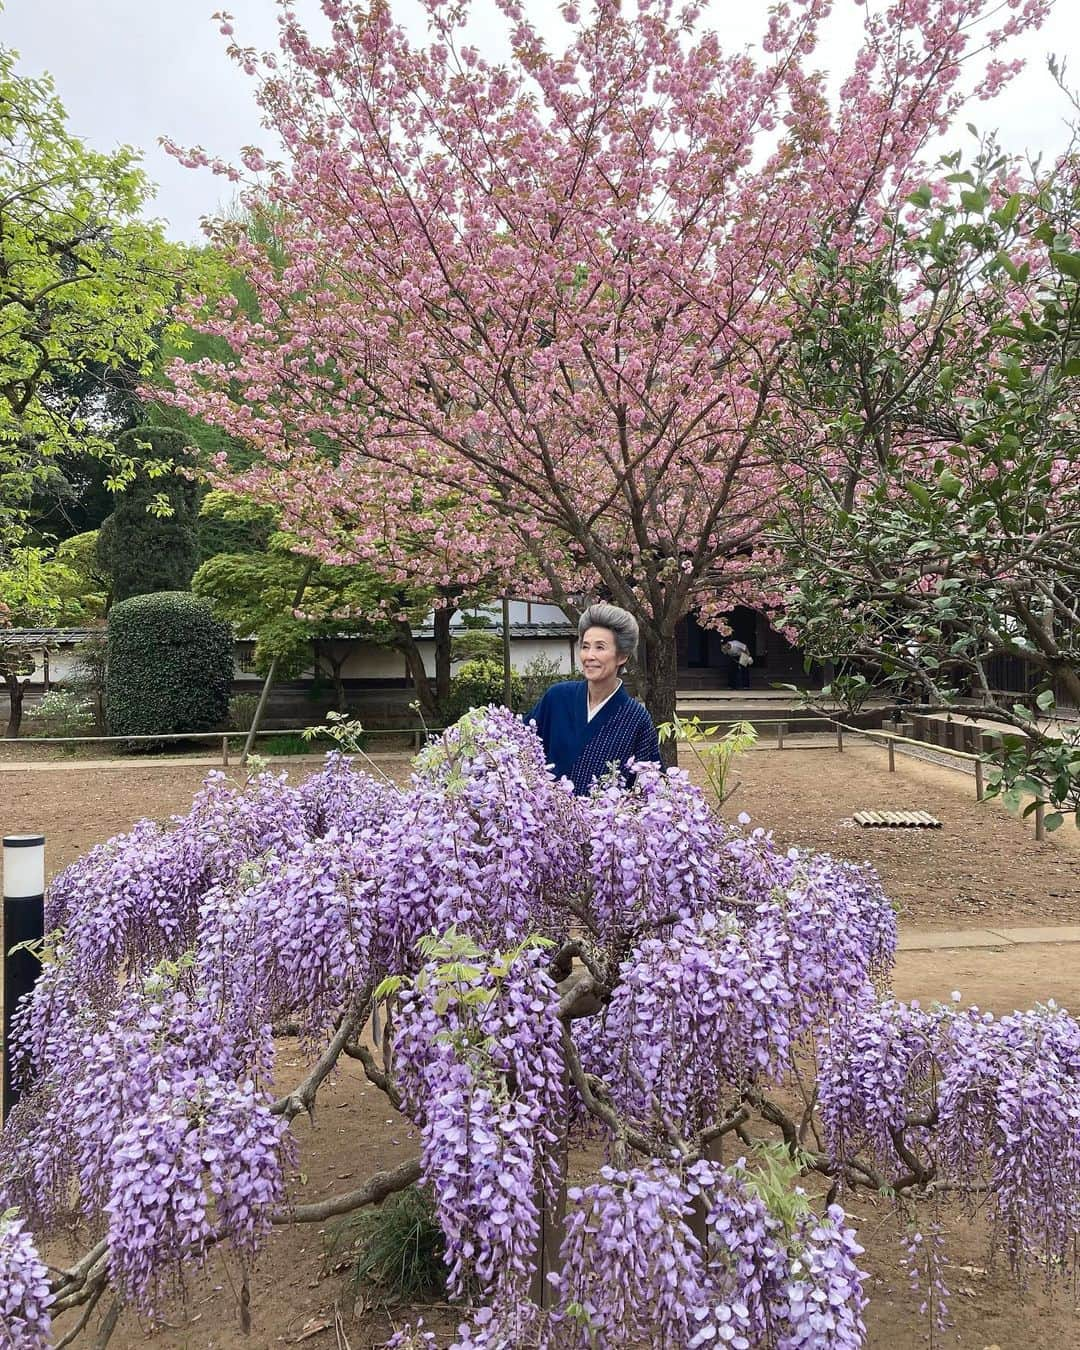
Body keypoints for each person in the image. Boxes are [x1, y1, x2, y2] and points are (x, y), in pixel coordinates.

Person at [526, 602, 661, 795]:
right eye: (585, 646)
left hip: (603, 822)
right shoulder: (557, 697)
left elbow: (649, 788)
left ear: (622, 656)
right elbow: (521, 747)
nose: (589, 656)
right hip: (546, 819)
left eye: (600, 647)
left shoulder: (636, 718)